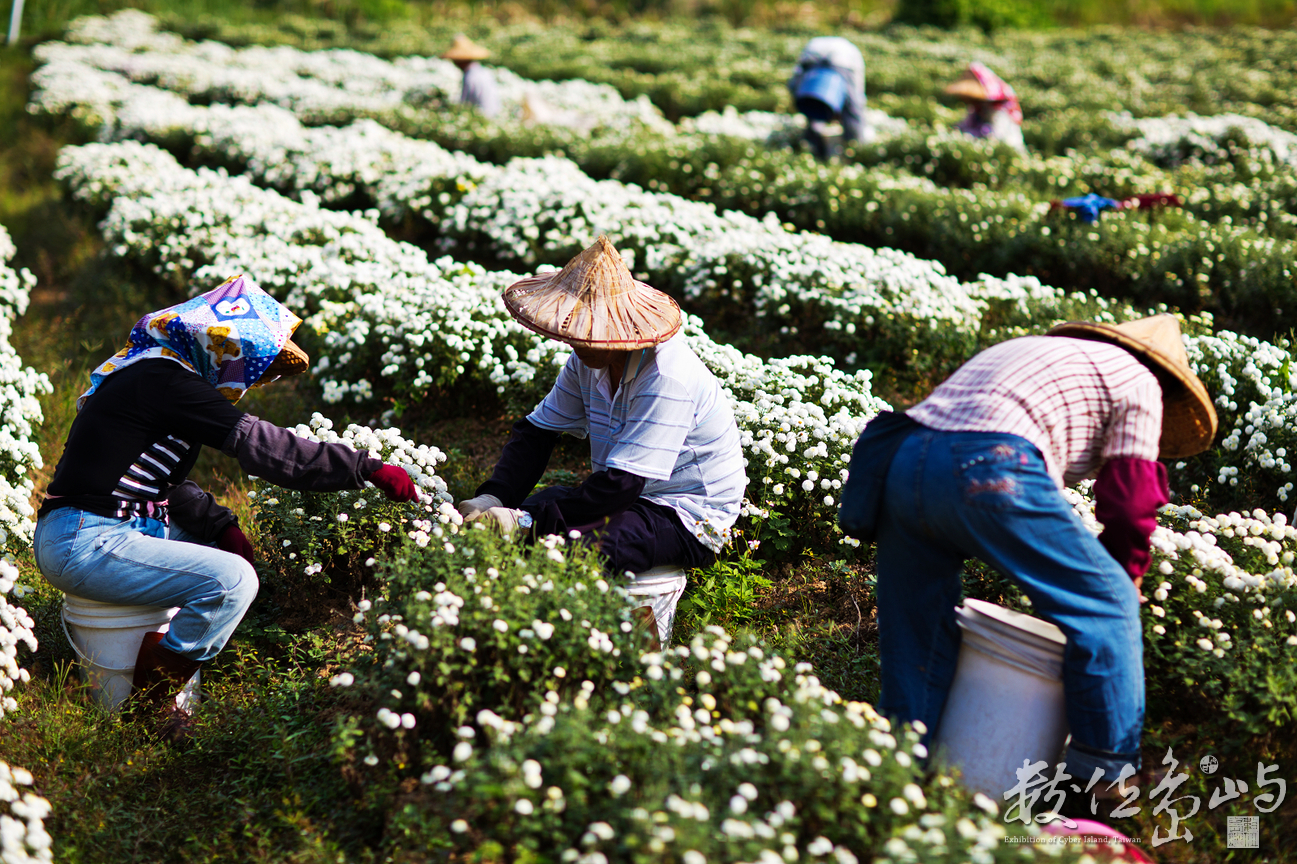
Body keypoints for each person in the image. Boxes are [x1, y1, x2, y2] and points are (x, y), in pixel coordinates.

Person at [33, 276, 419, 740]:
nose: (255, 379)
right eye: (256, 366)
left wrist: (220, 526)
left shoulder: (153, 373)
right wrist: (366, 467)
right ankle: (149, 707)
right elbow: (261, 443)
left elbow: (161, 481)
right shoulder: (164, 380)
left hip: (103, 529)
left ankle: (171, 662)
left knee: (222, 562)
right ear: (224, 347)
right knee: (233, 581)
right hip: (86, 539)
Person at [840, 314, 1216, 787]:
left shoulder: (1038, 351)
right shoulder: (1140, 381)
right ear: (1166, 380)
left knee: (921, 632)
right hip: (989, 466)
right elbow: (1131, 499)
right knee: (1109, 601)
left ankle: (899, 775)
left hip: (903, 461)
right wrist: (1126, 575)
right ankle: (1107, 779)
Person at [456, 236, 747, 642]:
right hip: (632, 495)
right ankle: (518, 635)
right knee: (527, 516)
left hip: (684, 513)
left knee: (574, 547)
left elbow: (620, 487)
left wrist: (524, 523)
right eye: (576, 331)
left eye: (591, 333)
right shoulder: (586, 361)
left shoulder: (665, 376)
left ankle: (626, 654)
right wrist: (496, 498)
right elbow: (537, 432)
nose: (578, 343)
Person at [787, 36, 867, 160]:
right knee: (852, 114)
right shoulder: (851, 61)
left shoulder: (817, 46)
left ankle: (814, 149)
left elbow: (794, 84)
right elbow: (857, 101)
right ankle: (855, 150)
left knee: (811, 102)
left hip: (818, 57)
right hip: (839, 62)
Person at [945, 61, 1025, 151]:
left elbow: (996, 135)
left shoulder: (999, 110)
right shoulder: (977, 107)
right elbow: (967, 123)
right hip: (984, 145)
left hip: (1005, 148)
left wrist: (970, 135)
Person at [442, 35, 501, 119]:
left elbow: (465, 105)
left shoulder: (470, 76)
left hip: (481, 120)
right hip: (494, 118)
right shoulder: (484, 72)